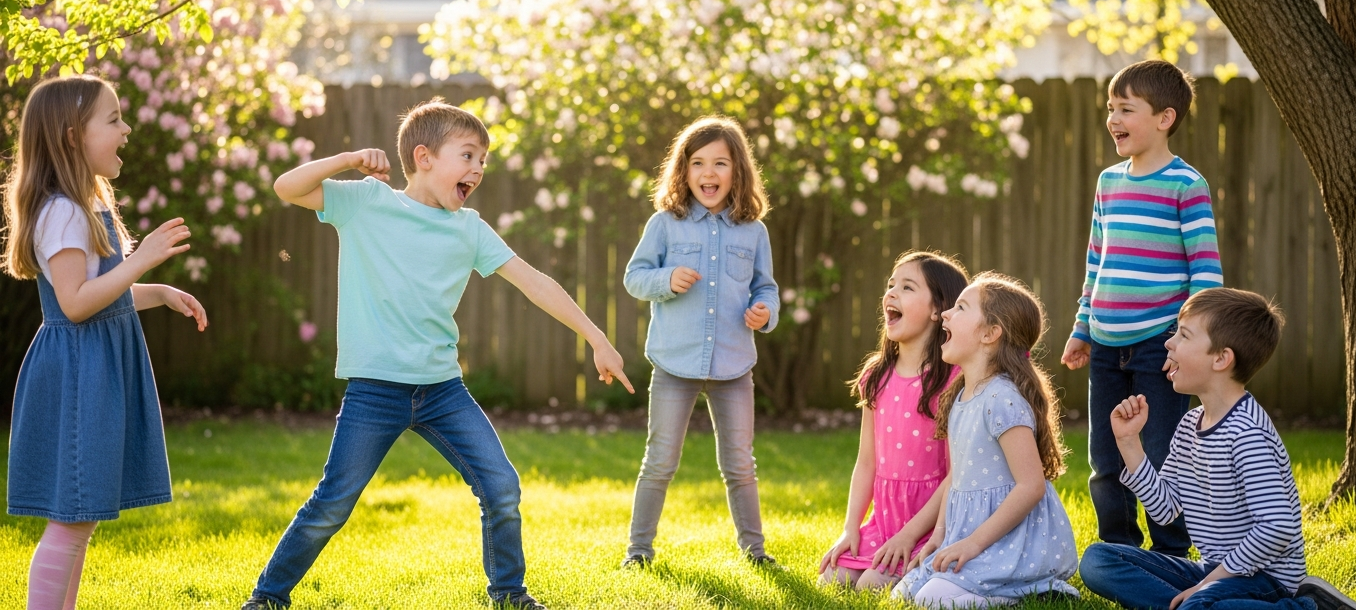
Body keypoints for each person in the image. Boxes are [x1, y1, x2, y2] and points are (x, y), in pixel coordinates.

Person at [242, 99, 632, 610]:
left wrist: (597, 338)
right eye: (468, 155)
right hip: (375, 389)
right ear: (423, 157)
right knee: (333, 502)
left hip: (442, 389)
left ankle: (510, 592)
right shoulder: (366, 202)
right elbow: (286, 187)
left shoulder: (468, 227)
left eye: (483, 161)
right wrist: (350, 158)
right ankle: (268, 596)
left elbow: (536, 283)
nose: (477, 169)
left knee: (501, 486)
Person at [2, 75, 208, 610]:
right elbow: (74, 302)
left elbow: (101, 293)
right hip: (78, 375)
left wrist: (157, 292)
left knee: (81, 517)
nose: (127, 129)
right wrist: (142, 261)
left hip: (93, 367)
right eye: (113, 119)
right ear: (73, 136)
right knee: (72, 518)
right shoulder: (61, 210)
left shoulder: (82, 204)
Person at [1080, 287, 1356, 610]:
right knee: (1097, 560)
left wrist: (1207, 584)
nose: (1168, 343)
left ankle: (1307, 607)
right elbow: (1165, 508)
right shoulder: (1190, 426)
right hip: (1215, 572)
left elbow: (1277, 527)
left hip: (1267, 581)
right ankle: (1193, 605)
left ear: (1221, 359)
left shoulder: (1247, 433)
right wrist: (1129, 443)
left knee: (1202, 604)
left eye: (1183, 336)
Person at [1060, 59, 1222, 558]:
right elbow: (1096, 264)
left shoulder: (1185, 185)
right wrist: (1082, 327)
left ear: (1164, 118)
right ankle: (1118, 551)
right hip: (1106, 344)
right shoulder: (1109, 183)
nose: (1112, 118)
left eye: (1126, 108)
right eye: (1110, 108)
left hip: (1160, 346)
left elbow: (1206, 275)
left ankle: (1171, 554)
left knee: (1161, 454)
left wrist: (1192, 344)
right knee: (1105, 459)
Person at [620, 116, 781, 567]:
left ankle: (755, 551)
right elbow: (635, 277)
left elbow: (765, 288)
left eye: (720, 164)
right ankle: (639, 551)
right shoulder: (665, 224)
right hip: (675, 364)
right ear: (683, 171)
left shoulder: (754, 231)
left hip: (733, 368)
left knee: (740, 466)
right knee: (659, 463)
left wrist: (765, 312)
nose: (708, 174)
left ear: (738, 172)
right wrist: (667, 278)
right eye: (698, 164)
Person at [893, 273, 1078, 607]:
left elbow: (1030, 486)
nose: (946, 314)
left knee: (931, 600)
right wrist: (940, 535)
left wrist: (973, 545)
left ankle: (1031, 588)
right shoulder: (960, 396)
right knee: (903, 594)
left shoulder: (1002, 399)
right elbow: (956, 478)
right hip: (968, 536)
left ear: (991, 334)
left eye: (961, 308)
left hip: (1010, 543)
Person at [818, 251, 968, 590]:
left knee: (870, 585)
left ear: (937, 310)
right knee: (832, 580)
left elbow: (955, 475)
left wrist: (909, 535)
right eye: (891, 285)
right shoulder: (876, 375)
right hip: (884, 521)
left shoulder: (953, 380)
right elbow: (867, 461)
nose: (891, 293)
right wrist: (851, 527)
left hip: (928, 523)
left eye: (907, 287)